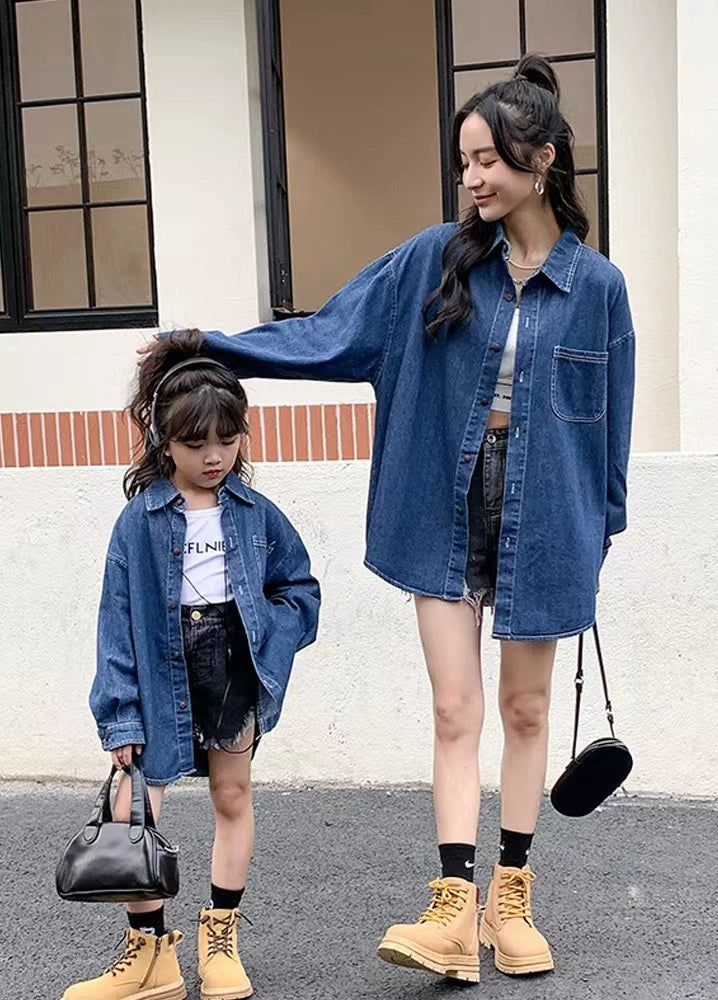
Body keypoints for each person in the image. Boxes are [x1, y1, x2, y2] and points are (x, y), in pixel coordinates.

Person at [151, 52, 635, 984]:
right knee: (457, 710)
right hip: (442, 509)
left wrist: (597, 535)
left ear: (542, 158)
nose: (473, 178)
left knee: (525, 709)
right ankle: (452, 909)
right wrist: (209, 346)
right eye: (462, 162)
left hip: (550, 523)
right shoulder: (433, 261)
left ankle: (511, 896)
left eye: (488, 158)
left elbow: (608, 435)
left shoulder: (600, 289)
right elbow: (330, 332)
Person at [64, 330, 321, 1000]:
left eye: (227, 439)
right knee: (131, 807)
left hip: (232, 667)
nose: (214, 457)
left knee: (231, 797)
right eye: (195, 443)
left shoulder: (256, 514)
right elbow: (115, 621)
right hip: (159, 672)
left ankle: (220, 942)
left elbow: (299, 588)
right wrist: (118, 714)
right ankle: (150, 956)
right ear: (163, 441)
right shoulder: (139, 523)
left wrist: (272, 638)